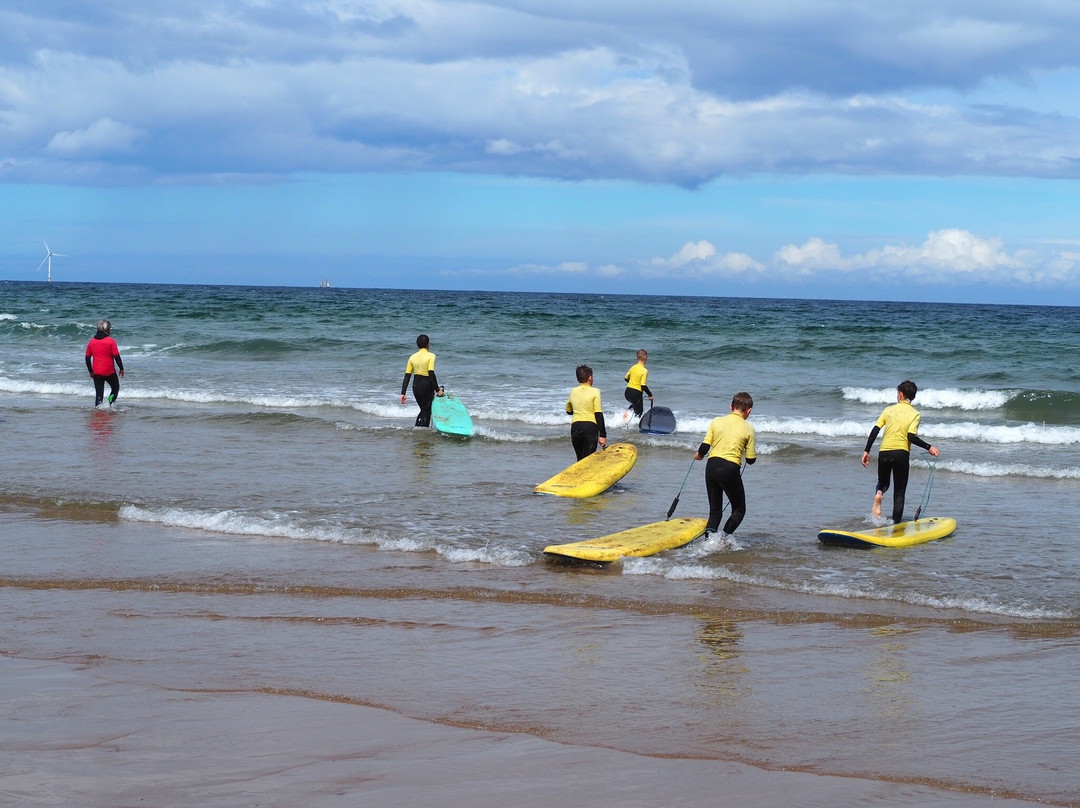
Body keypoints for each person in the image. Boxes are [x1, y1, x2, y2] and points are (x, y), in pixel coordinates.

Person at [861, 380, 940, 523]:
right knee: (899, 492)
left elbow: (875, 430)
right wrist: (929, 447)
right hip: (901, 454)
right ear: (913, 397)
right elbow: (911, 437)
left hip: (884, 452)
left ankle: (879, 493)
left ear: (900, 394)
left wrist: (867, 451)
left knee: (883, 483)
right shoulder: (915, 414)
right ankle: (896, 525)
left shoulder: (888, 410)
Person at [694, 391, 756, 538]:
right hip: (730, 469)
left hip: (711, 465)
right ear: (749, 411)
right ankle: (723, 538)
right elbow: (750, 459)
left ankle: (709, 542)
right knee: (739, 509)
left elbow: (704, 447)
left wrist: (699, 456)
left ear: (731, 406)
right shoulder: (749, 428)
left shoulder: (716, 421)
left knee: (715, 511)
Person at [400, 334, 443, 427]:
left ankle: (417, 428)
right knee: (427, 411)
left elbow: (407, 375)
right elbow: (431, 373)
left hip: (416, 386)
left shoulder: (412, 357)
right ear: (428, 344)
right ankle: (423, 431)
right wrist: (437, 390)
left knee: (423, 410)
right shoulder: (431, 356)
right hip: (426, 385)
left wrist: (403, 393)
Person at [565, 364, 607, 460]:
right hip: (590, 428)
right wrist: (603, 435)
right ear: (590, 378)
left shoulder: (573, 391)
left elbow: (568, 410)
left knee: (580, 459)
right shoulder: (595, 391)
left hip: (576, 427)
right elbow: (598, 414)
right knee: (588, 460)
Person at [85, 319, 124, 407]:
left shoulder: (91, 342)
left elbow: (87, 358)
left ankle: (98, 410)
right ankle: (110, 403)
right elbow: (117, 357)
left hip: (97, 373)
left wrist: (91, 371)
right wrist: (121, 368)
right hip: (109, 372)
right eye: (109, 328)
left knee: (99, 394)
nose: (110, 330)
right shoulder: (111, 341)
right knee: (115, 388)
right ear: (106, 330)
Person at [623, 349, 654, 417]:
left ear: (637, 357)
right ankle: (635, 423)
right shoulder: (644, 370)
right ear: (645, 357)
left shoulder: (633, 367)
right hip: (636, 394)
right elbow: (643, 385)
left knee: (635, 405)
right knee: (639, 412)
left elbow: (626, 378)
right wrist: (650, 395)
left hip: (627, 392)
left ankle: (626, 413)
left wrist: (632, 383)